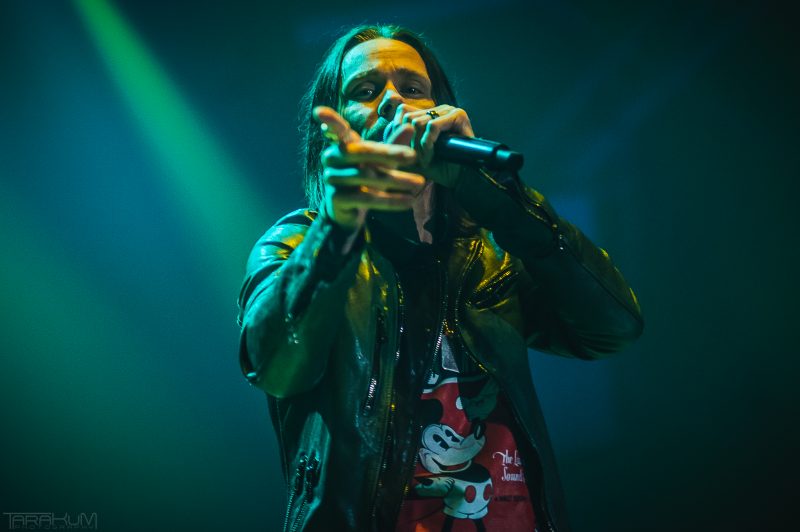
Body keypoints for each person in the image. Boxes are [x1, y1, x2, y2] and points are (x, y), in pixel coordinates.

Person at [236, 24, 643, 532]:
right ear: (334, 130)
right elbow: (275, 367)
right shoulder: (298, 243)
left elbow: (613, 327)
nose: (393, 101)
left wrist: (498, 197)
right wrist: (338, 230)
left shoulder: (491, 253)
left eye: (412, 88)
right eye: (366, 90)